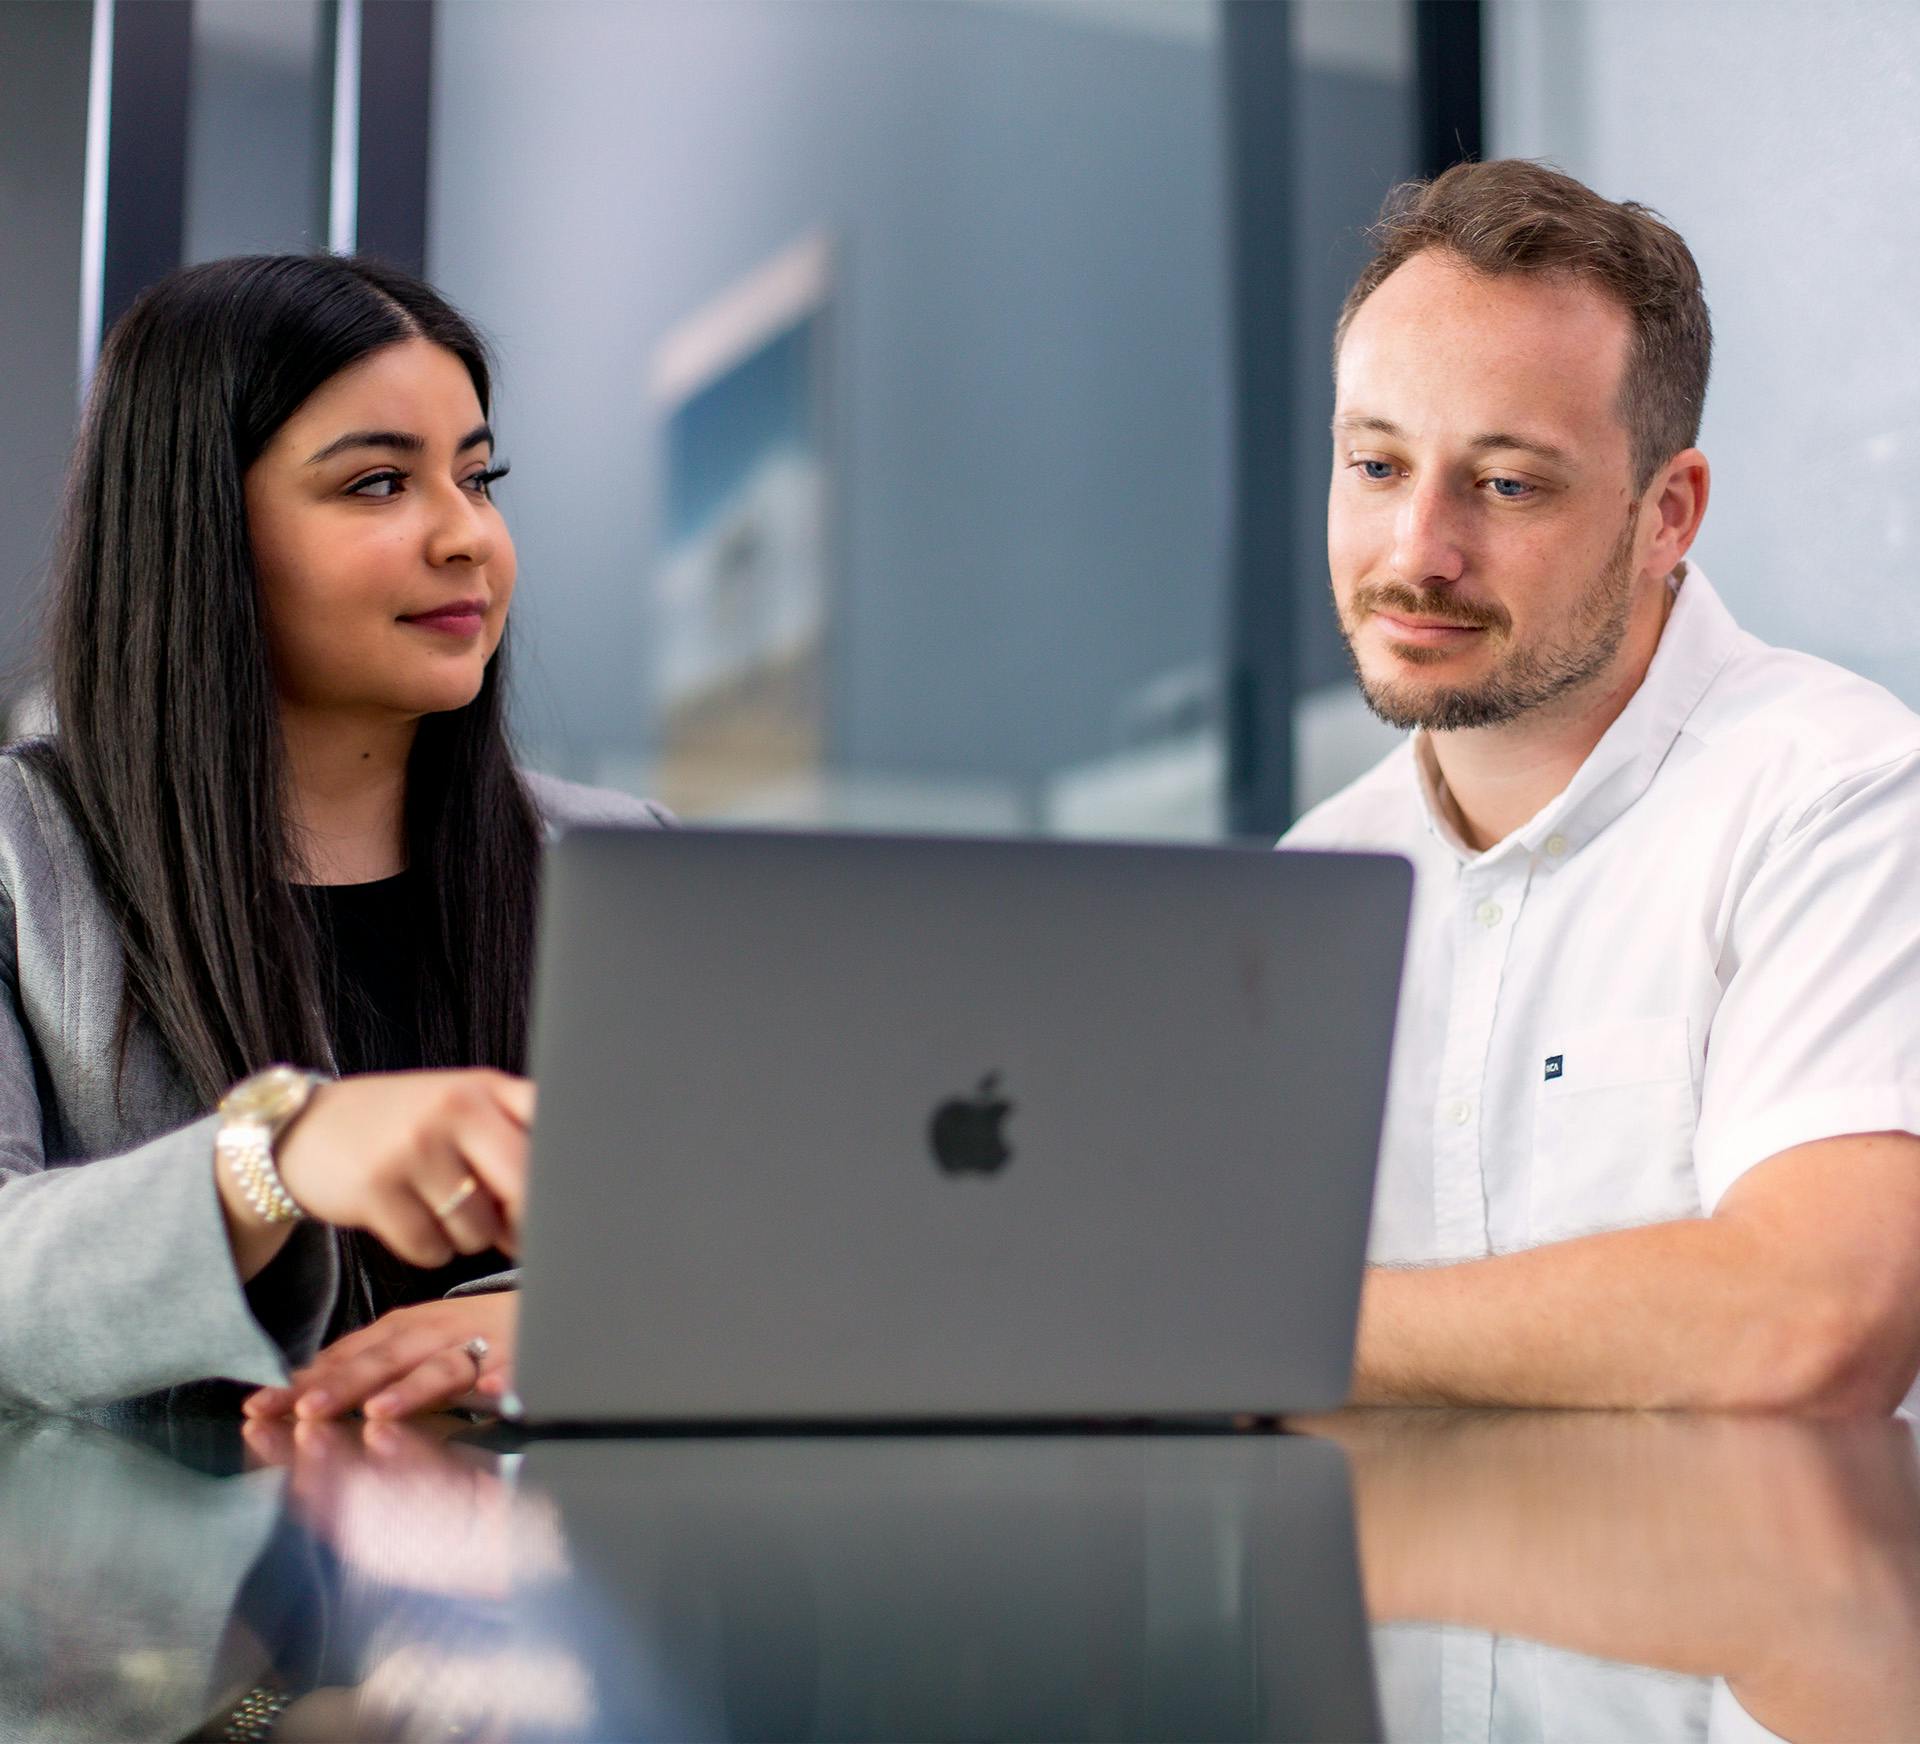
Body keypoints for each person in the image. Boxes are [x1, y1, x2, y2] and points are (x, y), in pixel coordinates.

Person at [1284, 160, 1920, 1413]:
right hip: (1385, 1605)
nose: (1420, 552)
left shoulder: (1839, 796)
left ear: (1667, 513)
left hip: (1739, 1610)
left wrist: (1274, 1328)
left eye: (1508, 482)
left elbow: (1820, 1318)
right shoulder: (1314, 878)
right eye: (1376, 466)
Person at [0, 253, 663, 1419]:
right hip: (142, 1592)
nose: (466, 538)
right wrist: (279, 1152)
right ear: (197, 527)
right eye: (376, 485)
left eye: (479, 477)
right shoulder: (20, 854)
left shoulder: (628, 864)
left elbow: (765, 1245)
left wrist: (543, 1317)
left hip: (549, 1584)